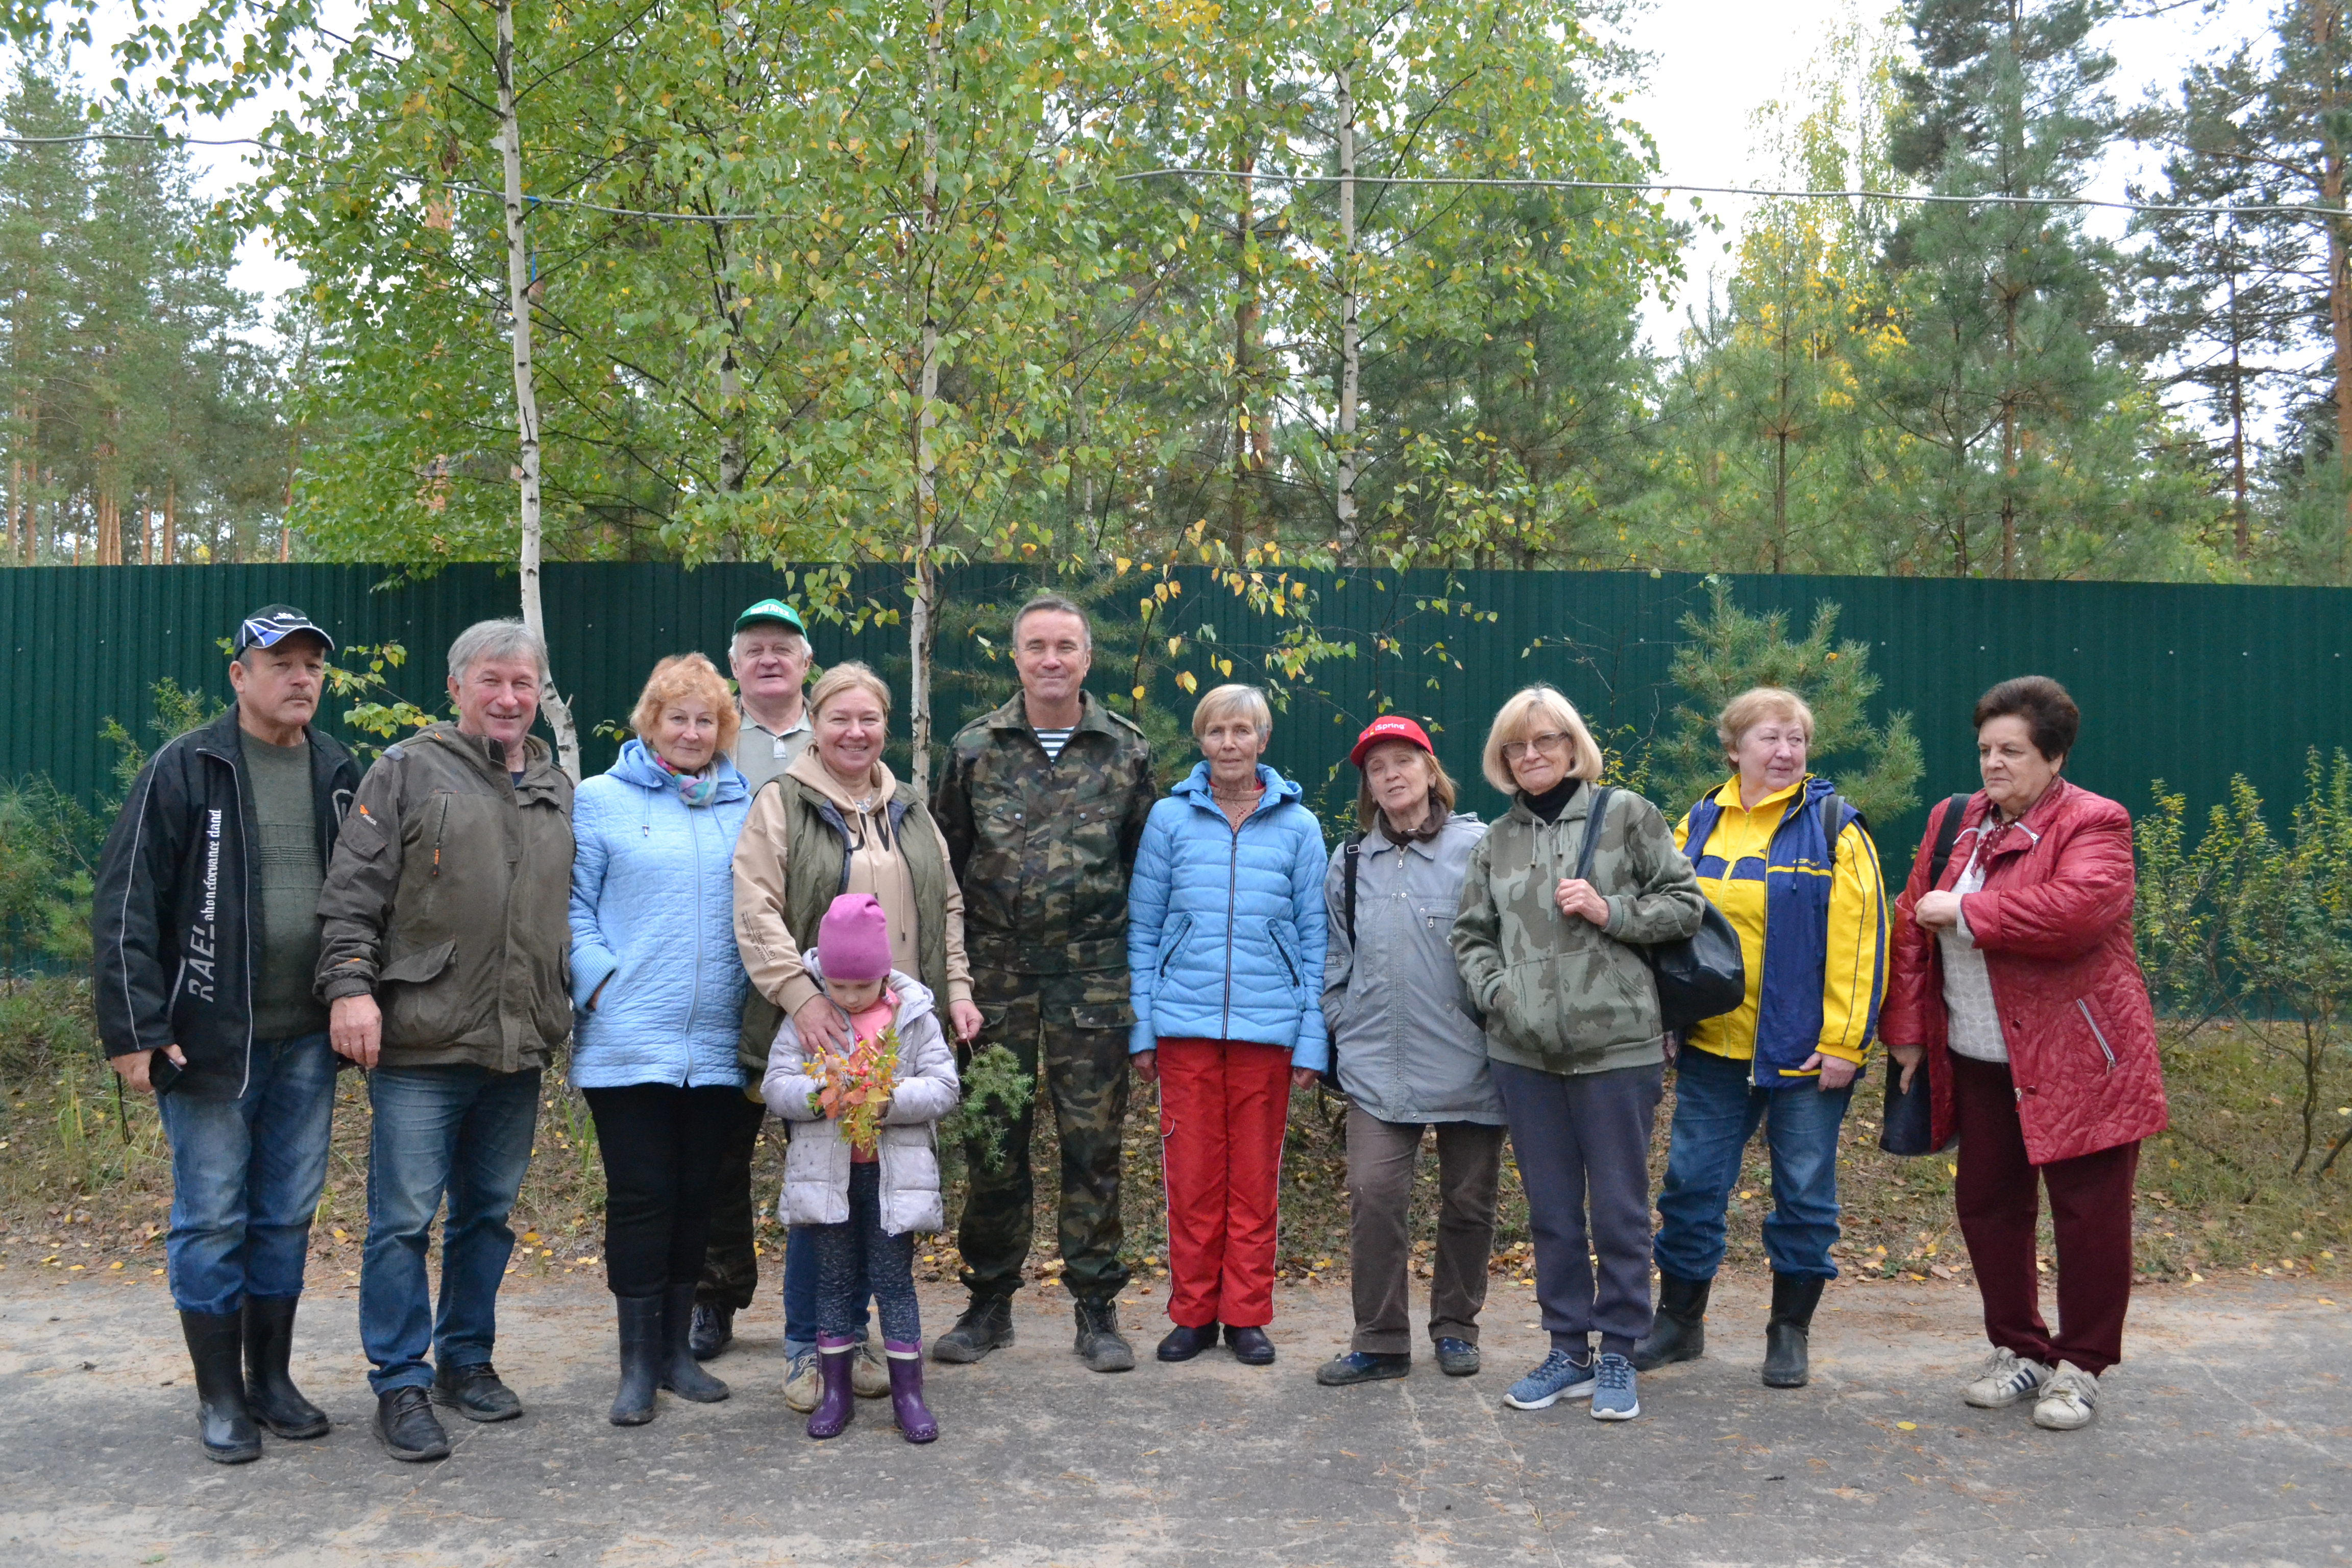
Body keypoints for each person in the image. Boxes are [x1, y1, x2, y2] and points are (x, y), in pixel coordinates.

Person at [92, 605, 358, 1464]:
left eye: (312, 663)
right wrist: (135, 1028)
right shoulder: (187, 767)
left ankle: (270, 1381)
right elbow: (127, 901)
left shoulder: (338, 768)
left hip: (306, 1041)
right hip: (208, 1042)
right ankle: (219, 1397)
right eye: (280, 661)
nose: (300, 677)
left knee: (284, 1214)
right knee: (212, 1217)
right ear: (239, 675)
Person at [317, 618, 576, 1464]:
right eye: (492, 680)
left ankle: (466, 1359)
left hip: (516, 1043)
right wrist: (351, 986)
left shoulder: (553, 782)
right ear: (457, 686)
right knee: (401, 1220)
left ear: (540, 694)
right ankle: (400, 1380)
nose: (509, 698)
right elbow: (351, 893)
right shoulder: (403, 771)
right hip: (421, 1042)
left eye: (524, 683)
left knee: (489, 1217)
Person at [1881, 676, 2167, 1433]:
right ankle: (2020, 1350)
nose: (1993, 764)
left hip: (2082, 1061)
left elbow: (2075, 915)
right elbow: (1912, 927)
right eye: (1985, 749)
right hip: (1978, 1055)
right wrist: (1908, 1030)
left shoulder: (2096, 822)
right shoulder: (1955, 821)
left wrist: (1969, 910)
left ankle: (2081, 1366)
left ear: (2054, 756)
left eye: (2012, 751)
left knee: (2090, 1217)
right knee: (1988, 1206)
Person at [732, 660, 982, 1412]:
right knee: (824, 1193)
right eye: (840, 718)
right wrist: (801, 999)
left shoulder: (909, 806)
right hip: (821, 1025)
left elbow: (950, 908)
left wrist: (958, 993)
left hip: (901, 1027)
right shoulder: (783, 802)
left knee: (882, 1198)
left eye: (869, 719)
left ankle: (860, 1341)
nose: (856, 732)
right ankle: (808, 1349)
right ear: (816, 722)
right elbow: (756, 910)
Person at [1451, 684, 1704, 1423]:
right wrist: (1499, 996)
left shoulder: (1627, 815)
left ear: (1573, 746)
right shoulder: (1494, 841)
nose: (1532, 756)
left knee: (1621, 1211)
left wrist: (1610, 909)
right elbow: (1470, 936)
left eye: (1546, 741)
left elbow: (1686, 903)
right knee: (1554, 1212)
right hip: (1524, 1054)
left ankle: (1621, 1350)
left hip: (1616, 1049)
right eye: (1517, 746)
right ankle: (1568, 1350)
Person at [928, 594, 1159, 1374]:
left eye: (1066, 646)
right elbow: (947, 872)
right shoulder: (972, 750)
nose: (1051, 659)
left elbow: (1143, 872)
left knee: (1092, 1152)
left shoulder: (1127, 752)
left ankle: (1096, 1310)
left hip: (1092, 986)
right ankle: (989, 1304)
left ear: (1087, 659)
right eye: (1036, 646)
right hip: (995, 985)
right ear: (1017, 658)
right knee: (995, 1146)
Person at [1636, 688, 1886, 1388]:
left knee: (1804, 1195)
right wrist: (1664, 1019)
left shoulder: (1835, 826)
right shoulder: (1699, 823)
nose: (1784, 753)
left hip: (1804, 1052)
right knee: (1690, 1189)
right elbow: (1666, 926)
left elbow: (1863, 942)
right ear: (1735, 748)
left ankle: (1789, 1332)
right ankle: (1680, 1323)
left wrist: (1844, 1043)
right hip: (1716, 1047)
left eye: (1796, 740)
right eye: (1769, 739)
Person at [568, 653, 752, 1424]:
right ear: (650, 722)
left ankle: (679, 1356)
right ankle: (637, 1367)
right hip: (628, 1040)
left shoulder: (748, 808)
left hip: (719, 1042)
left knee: (698, 1201)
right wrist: (602, 984)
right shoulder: (599, 802)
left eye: (706, 719)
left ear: (724, 730)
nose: (691, 731)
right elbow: (570, 906)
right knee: (642, 1199)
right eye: (677, 717)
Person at [1126, 683, 1328, 1367]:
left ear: (1263, 741)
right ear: (1201, 741)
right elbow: (1145, 930)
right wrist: (1144, 1029)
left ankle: (1245, 1315)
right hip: (1183, 1031)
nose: (1230, 743)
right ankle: (1192, 1315)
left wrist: (1311, 1039)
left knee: (1253, 1180)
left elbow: (1315, 938)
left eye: (1242, 730)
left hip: (1267, 1034)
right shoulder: (1169, 820)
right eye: (1216, 731)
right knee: (1192, 1180)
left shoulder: (1299, 827)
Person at [1314, 716, 1502, 1388]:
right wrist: (1342, 1018)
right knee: (1374, 1193)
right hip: (1376, 1064)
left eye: (1402, 760)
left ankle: (1455, 1327)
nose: (1390, 774)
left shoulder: (1480, 848)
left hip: (1471, 1061)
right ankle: (1381, 1339)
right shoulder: (1351, 860)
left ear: (1429, 770)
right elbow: (1336, 952)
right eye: (1375, 767)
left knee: (1469, 1203)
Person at [763, 894, 961, 1442]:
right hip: (830, 1179)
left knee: (894, 1283)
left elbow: (945, 1086)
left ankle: (909, 1395)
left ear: (883, 975)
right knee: (832, 1281)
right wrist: (817, 1093)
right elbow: (775, 1085)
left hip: (892, 1180)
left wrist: (888, 1099)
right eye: (838, 987)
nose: (848, 999)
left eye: (861, 987)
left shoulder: (913, 1017)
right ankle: (836, 1394)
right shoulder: (810, 1020)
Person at [692, 598, 817, 1361]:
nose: (769, 659)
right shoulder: (707, 738)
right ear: (734, 665)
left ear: (807, 664)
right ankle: (716, 1296)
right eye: (754, 649)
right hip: (726, 979)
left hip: (824, 985)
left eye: (783, 648)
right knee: (720, 1153)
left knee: (825, 1144)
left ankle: (830, 1301)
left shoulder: (840, 735)